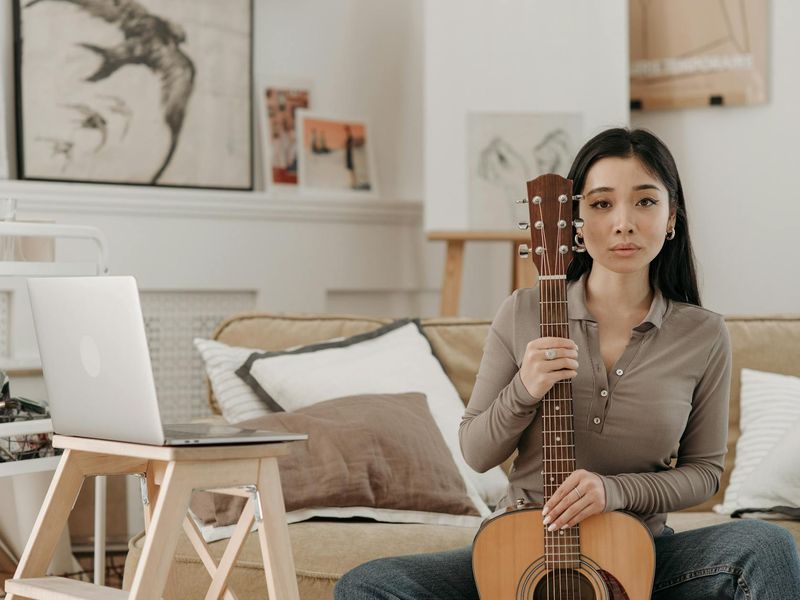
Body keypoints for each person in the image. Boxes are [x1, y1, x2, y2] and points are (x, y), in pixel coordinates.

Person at [335, 128, 800, 599]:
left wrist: (614, 491)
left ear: (671, 216)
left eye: (644, 202)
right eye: (601, 204)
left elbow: (703, 472)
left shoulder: (702, 334)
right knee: (369, 585)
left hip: (638, 556)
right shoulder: (523, 311)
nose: (623, 223)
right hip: (520, 547)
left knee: (765, 545)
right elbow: (475, 451)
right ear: (573, 220)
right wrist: (524, 389)